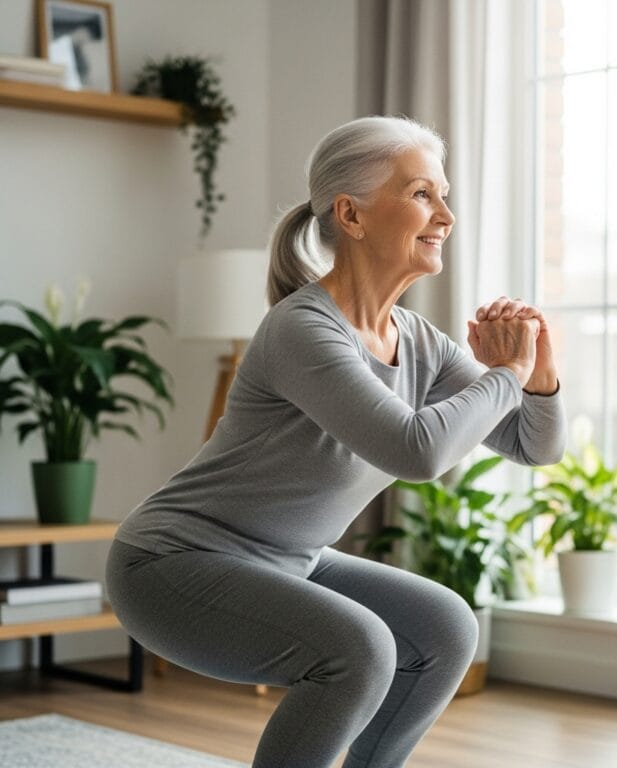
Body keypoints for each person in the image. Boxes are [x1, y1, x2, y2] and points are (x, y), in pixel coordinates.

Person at [106, 115, 566, 768]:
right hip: (170, 564)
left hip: (290, 557)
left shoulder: (419, 342)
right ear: (351, 214)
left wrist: (539, 377)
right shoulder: (303, 329)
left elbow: (532, 446)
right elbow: (416, 451)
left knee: (445, 627)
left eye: (445, 196)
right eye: (421, 195)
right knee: (359, 649)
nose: (446, 216)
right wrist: (506, 374)